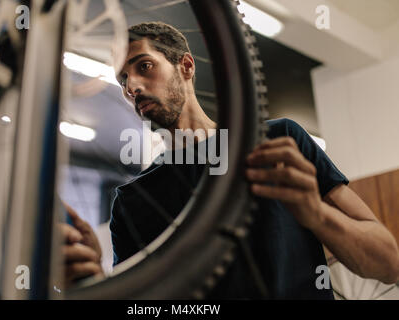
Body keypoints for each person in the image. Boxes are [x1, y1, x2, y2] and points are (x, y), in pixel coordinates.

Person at [62, 22, 399, 297]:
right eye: (122, 80)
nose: (132, 86)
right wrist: (99, 281)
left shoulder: (280, 140)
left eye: (144, 66)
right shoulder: (130, 202)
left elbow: (388, 263)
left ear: (187, 66)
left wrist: (317, 214)